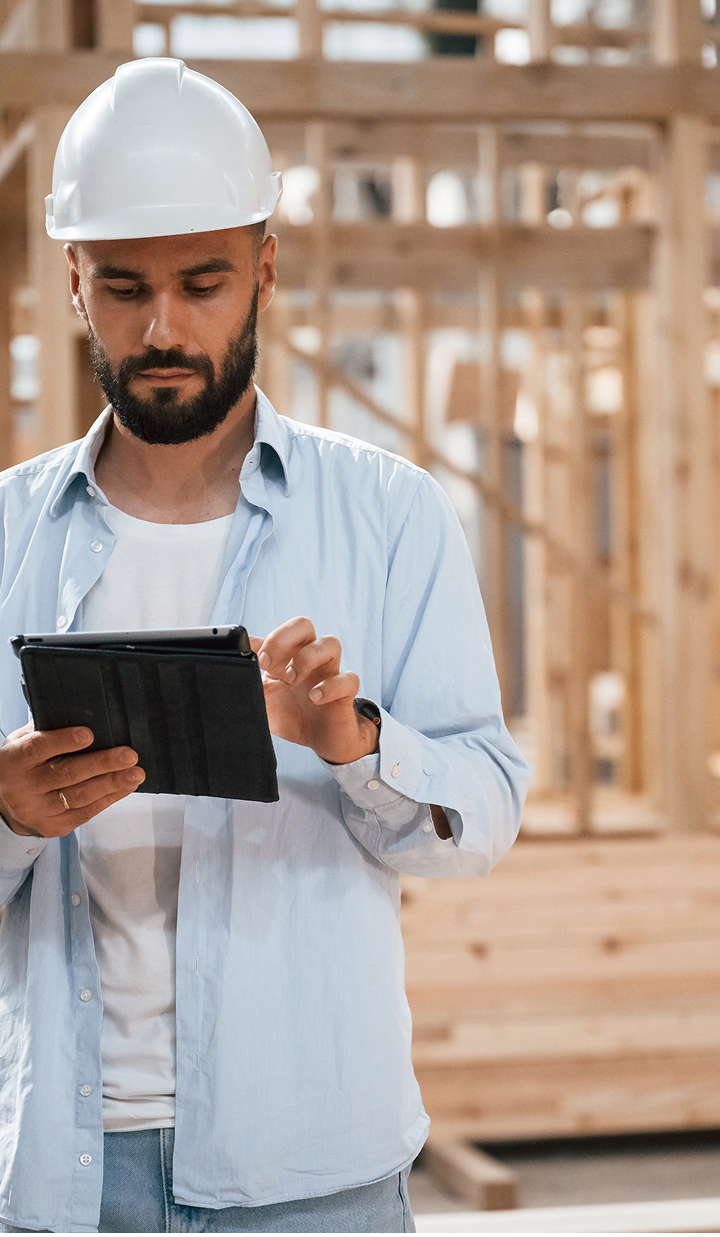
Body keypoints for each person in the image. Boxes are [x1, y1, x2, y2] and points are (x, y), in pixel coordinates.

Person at [0, 59, 530, 1235]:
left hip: (313, 1177)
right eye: (125, 287)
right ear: (75, 280)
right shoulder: (2, 537)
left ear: (267, 271)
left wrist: (361, 744)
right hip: (62, 1177)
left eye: (204, 282)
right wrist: (5, 815)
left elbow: (483, 814)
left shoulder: (389, 517)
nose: (165, 327)